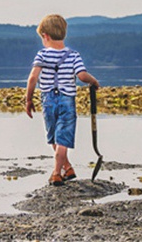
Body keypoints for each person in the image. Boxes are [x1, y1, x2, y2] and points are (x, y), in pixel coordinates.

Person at [25, 14, 100, 186]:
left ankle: (58, 173)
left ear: (45, 36)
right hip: (67, 100)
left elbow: (32, 79)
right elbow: (81, 75)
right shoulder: (73, 55)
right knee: (62, 139)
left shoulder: (42, 55)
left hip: (48, 100)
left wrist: (28, 100)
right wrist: (94, 81)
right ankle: (65, 169)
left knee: (54, 138)